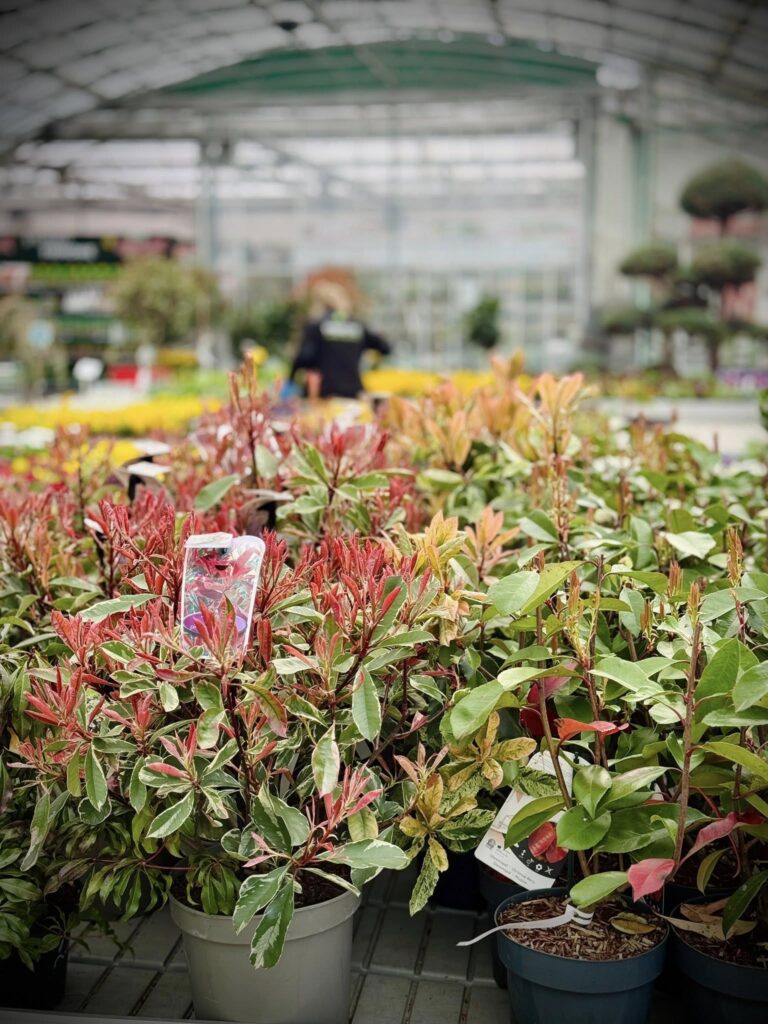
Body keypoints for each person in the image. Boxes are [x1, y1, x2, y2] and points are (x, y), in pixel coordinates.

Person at [289, 281, 391, 399]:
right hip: (352, 391)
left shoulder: (316, 326)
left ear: (319, 304)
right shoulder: (357, 326)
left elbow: (304, 357)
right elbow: (385, 348)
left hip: (322, 393)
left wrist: (291, 379)